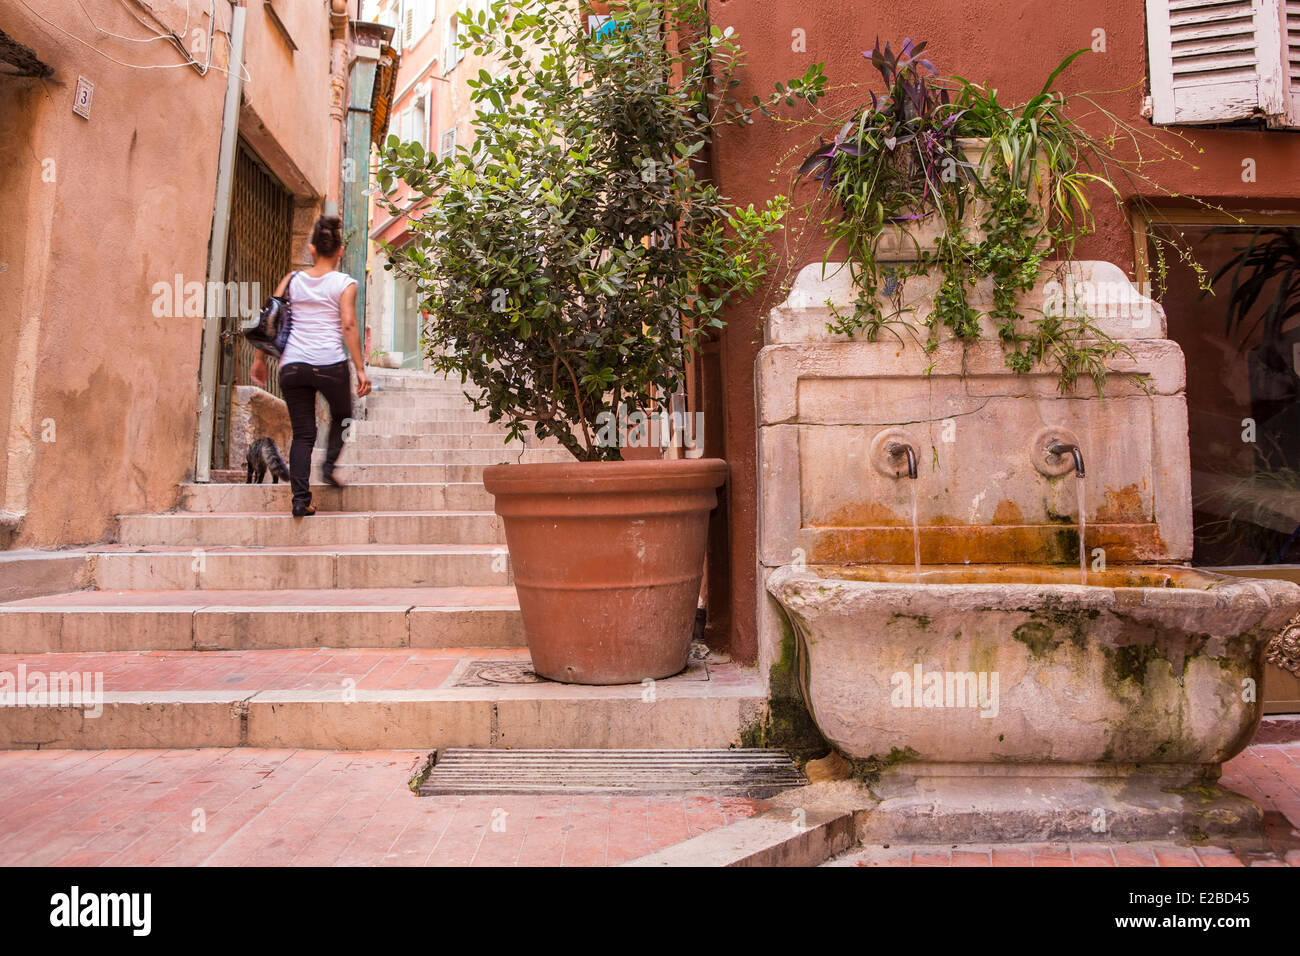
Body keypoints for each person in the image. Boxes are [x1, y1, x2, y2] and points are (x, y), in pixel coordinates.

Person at [251, 215, 371, 517]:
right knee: (343, 415)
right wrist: (359, 368)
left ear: (312, 249)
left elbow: (269, 320)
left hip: (293, 365)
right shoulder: (345, 283)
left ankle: (301, 500)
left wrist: (259, 359)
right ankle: (329, 465)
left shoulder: (292, 280)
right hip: (329, 363)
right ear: (340, 251)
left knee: (304, 434)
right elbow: (348, 324)